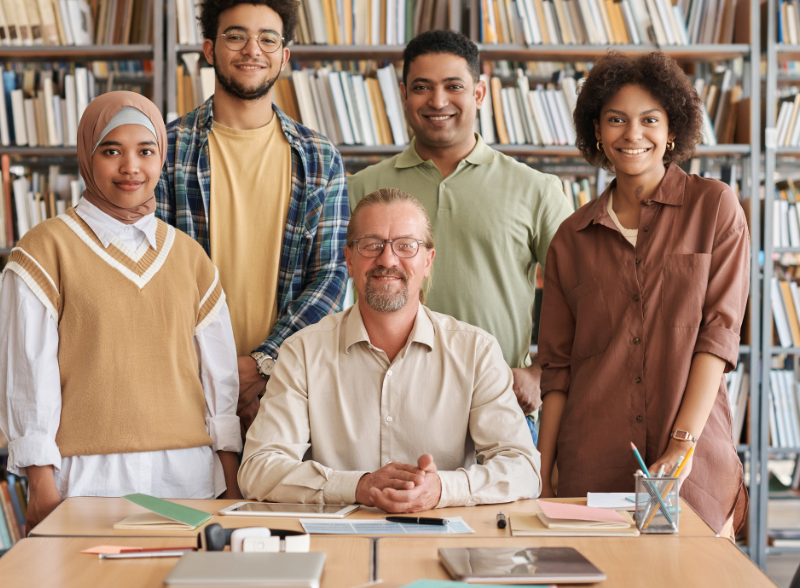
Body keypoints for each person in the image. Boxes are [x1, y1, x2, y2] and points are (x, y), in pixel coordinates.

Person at [0, 92, 241, 532]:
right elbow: (28, 373)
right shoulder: (44, 249)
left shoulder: (190, 257)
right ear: (87, 159)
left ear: (161, 158)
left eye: (145, 151)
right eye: (111, 151)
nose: (131, 167)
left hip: (187, 475)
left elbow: (219, 378)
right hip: (87, 478)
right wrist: (40, 481)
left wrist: (229, 474)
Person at [536, 52, 749, 538]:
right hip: (591, 467)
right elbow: (558, 369)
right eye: (616, 120)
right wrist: (542, 475)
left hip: (695, 473)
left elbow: (718, 336)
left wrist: (681, 445)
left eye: (649, 119)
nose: (633, 135)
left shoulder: (715, 207)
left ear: (672, 129)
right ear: (597, 131)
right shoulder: (571, 238)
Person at [238, 188, 541, 512]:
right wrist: (358, 486)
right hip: (338, 547)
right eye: (372, 245)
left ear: (428, 261)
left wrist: (443, 489)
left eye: (406, 246)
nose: (387, 259)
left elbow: (524, 468)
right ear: (350, 260)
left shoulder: (476, 351)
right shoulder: (303, 351)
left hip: (446, 542)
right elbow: (258, 470)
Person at [347, 31, 572, 442]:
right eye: (422, 87)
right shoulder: (361, 188)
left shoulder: (537, 189)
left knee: (505, 509)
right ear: (403, 95)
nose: (437, 101)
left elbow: (585, 291)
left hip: (500, 401)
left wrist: (543, 373)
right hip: (384, 402)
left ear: (480, 93)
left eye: (454, 86)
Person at [156, 0, 349, 431]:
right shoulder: (164, 150)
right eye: (236, 36)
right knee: (189, 502)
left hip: (289, 387)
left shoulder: (319, 157)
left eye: (268, 38)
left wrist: (262, 363)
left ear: (284, 54)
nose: (252, 50)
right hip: (182, 384)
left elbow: (331, 276)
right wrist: (214, 369)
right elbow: (153, 275)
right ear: (209, 49)